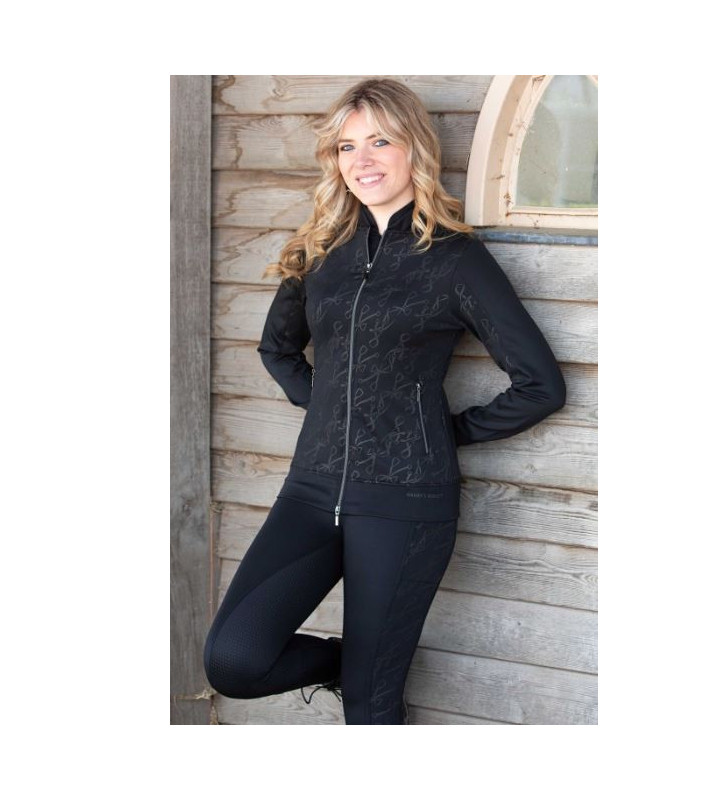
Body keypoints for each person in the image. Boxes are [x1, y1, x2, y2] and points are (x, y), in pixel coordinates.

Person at [203, 78, 566, 725]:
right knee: (234, 659)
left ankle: (367, 678)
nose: (362, 161)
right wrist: (329, 409)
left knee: (370, 709)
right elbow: (277, 349)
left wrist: (438, 431)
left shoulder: (454, 260)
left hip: (405, 504)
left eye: (379, 141)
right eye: (347, 147)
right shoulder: (319, 249)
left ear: (414, 148)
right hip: (312, 491)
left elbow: (540, 385)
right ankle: (349, 665)